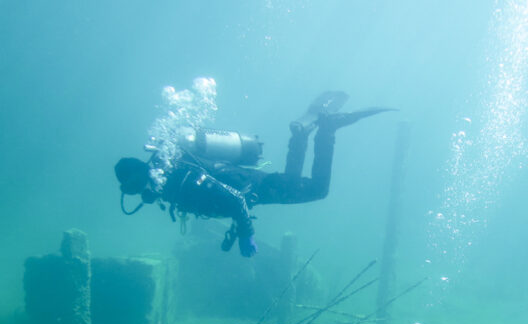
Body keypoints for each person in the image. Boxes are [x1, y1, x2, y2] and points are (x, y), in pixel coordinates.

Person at [115, 92, 392, 256]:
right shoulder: (173, 178)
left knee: (318, 190)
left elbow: (234, 199)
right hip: (256, 187)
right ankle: (302, 134)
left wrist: (246, 233)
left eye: (131, 187)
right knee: (291, 179)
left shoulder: (180, 179)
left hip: (255, 188)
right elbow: (224, 200)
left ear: (139, 174)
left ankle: (327, 129)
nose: (136, 193)